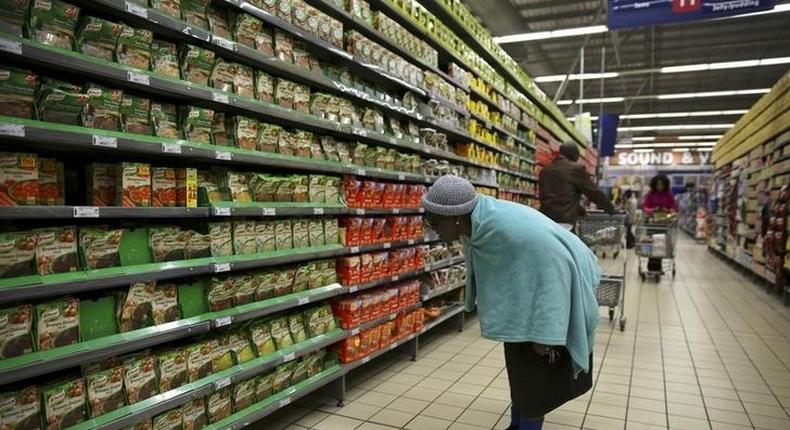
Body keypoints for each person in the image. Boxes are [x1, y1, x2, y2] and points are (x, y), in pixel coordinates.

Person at [422, 175, 601, 430]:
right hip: (529, 298)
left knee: (535, 382)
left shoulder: (508, 231)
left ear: (456, 217)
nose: (433, 229)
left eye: (436, 222)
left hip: (558, 289)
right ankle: (516, 425)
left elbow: (553, 275)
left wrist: (547, 333)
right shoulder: (477, 222)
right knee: (519, 370)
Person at [539, 142, 615, 230]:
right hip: (565, 221)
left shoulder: (545, 170)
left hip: (546, 219)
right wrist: (610, 208)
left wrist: (579, 209)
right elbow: (593, 192)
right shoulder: (575, 169)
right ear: (574, 155)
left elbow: (557, 195)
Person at [642, 175, 676, 271]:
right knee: (652, 244)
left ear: (665, 185)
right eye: (657, 184)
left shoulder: (668, 195)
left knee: (660, 244)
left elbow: (673, 208)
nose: (659, 186)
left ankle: (658, 265)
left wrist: (668, 210)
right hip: (652, 223)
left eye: (661, 184)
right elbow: (645, 208)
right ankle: (651, 264)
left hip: (664, 224)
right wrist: (654, 209)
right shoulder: (650, 194)